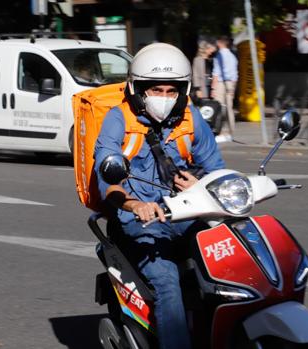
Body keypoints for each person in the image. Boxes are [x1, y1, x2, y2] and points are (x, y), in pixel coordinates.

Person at [94, 43, 225, 349]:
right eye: (156, 90)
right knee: (166, 281)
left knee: (226, 263)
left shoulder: (191, 118)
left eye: (171, 91)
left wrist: (199, 183)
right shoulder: (118, 120)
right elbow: (108, 180)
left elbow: (216, 169)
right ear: (138, 89)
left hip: (184, 213)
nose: (164, 98)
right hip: (138, 222)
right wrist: (134, 204)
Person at [211, 36, 238, 143]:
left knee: (220, 107)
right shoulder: (233, 56)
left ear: (221, 43)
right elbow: (235, 74)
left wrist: (213, 88)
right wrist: (233, 88)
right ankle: (231, 132)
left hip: (221, 84)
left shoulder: (219, 55)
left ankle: (221, 131)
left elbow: (216, 73)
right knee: (230, 109)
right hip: (231, 83)